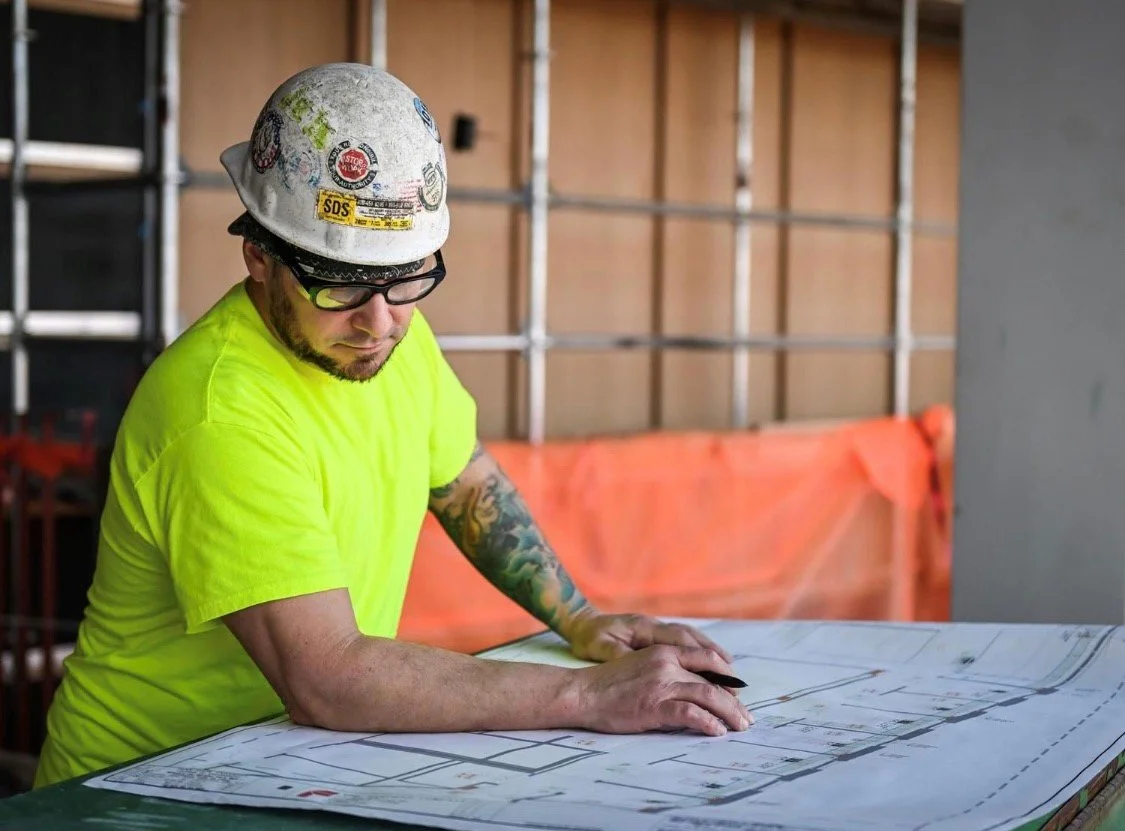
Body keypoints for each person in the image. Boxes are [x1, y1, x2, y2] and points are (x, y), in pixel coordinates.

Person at [33, 63, 751, 789]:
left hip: (277, 761)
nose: (379, 322)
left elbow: (468, 490)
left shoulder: (390, 338)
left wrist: (578, 618)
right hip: (137, 786)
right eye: (340, 281)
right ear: (258, 255)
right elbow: (329, 676)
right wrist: (586, 694)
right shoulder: (220, 411)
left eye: (406, 275)